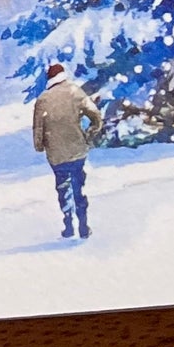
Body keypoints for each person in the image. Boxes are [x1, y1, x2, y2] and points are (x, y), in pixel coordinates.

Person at [33, 61, 101, 240]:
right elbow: (95, 116)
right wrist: (89, 134)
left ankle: (68, 224)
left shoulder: (43, 99)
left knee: (63, 187)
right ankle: (83, 225)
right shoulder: (75, 92)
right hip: (77, 148)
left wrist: (40, 145)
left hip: (56, 153)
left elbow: (38, 128)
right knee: (79, 187)